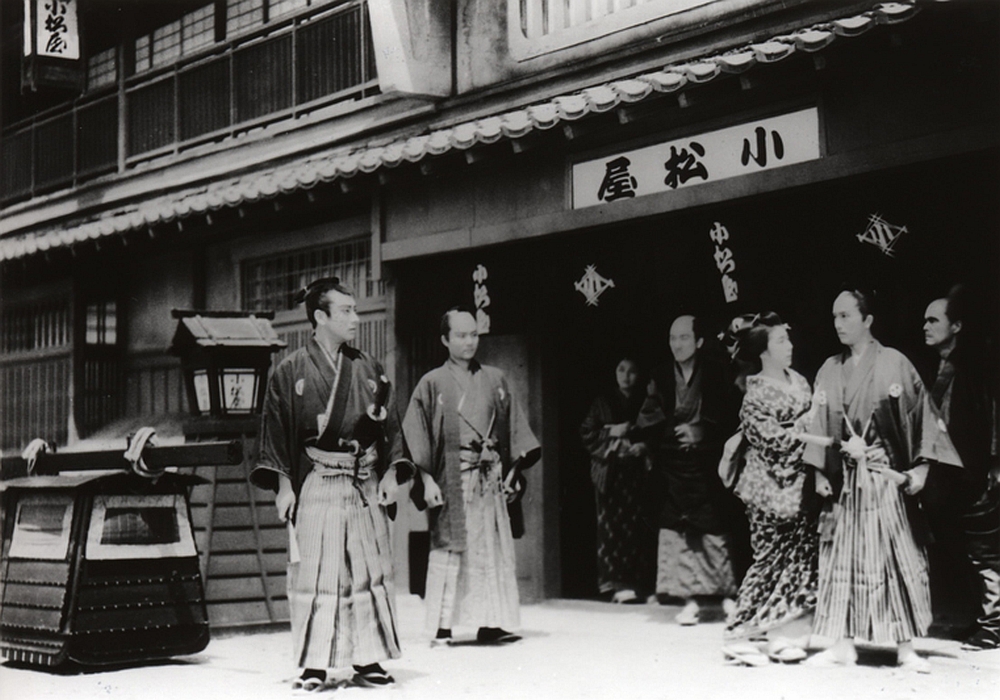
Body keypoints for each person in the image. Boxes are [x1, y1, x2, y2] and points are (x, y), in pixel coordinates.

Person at [250, 277, 410, 691]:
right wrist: (284, 486)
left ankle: (367, 658)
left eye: (355, 310)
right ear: (320, 317)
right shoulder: (290, 372)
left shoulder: (370, 368)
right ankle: (315, 663)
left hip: (362, 481)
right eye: (346, 311)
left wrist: (392, 473)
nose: (355, 318)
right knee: (318, 573)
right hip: (318, 480)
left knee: (367, 570)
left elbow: (390, 424)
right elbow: (274, 432)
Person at [803, 289, 933, 673]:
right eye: (834, 317)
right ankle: (843, 644)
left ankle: (906, 647)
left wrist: (920, 469)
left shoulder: (894, 363)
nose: (839, 324)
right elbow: (817, 422)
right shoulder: (830, 368)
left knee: (893, 559)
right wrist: (817, 472)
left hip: (882, 479)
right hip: (845, 480)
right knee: (842, 561)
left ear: (867, 320)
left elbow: (920, 414)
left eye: (846, 316)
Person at [402, 308, 541, 646]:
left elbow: (514, 432)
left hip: (490, 478)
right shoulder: (431, 382)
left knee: (491, 549)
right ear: (445, 340)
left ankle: (491, 622)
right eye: (461, 335)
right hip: (453, 476)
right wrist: (426, 479)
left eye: (473, 334)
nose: (468, 341)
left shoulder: (496, 379)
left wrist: (513, 473)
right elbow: (415, 435)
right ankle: (442, 625)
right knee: (449, 548)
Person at [721, 313, 819, 666]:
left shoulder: (802, 382)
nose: (789, 346)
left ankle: (784, 635)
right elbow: (776, 443)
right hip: (767, 487)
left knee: (800, 562)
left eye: (788, 340)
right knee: (768, 562)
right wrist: (811, 428)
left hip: (802, 486)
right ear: (762, 351)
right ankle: (739, 632)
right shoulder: (754, 395)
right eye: (780, 341)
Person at [638, 314, 737, 626]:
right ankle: (690, 601)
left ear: (699, 342)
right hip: (672, 465)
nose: (677, 344)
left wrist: (700, 432)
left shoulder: (716, 373)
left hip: (707, 464)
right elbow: (648, 417)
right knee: (678, 532)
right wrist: (672, 430)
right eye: (672, 338)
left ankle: (727, 597)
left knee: (713, 529)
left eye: (683, 338)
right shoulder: (659, 375)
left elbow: (727, 415)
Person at [922, 286, 1000, 651]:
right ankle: (977, 620)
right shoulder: (936, 369)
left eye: (934, 320)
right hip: (950, 478)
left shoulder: (977, 367)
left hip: (977, 474)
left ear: (957, 326)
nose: (926, 326)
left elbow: (993, 416)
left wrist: (995, 464)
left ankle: (994, 626)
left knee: (985, 553)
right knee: (963, 551)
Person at [579, 357, 656, 604]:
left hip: (638, 475)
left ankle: (640, 584)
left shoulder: (646, 401)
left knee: (639, 528)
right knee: (611, 530)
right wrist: (612, 431)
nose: (626, 375)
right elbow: (587, 433)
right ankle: (615, 584)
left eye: (632, 370)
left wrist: (644, 446)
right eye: (621, 369)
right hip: (611, 474)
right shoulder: (602, 402)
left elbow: (657, 431)